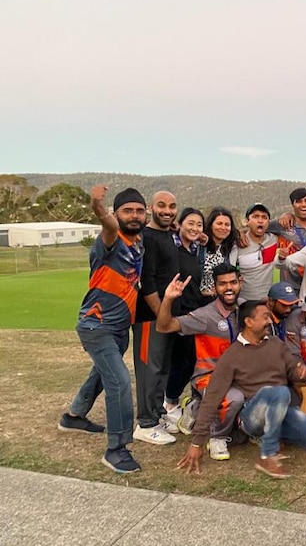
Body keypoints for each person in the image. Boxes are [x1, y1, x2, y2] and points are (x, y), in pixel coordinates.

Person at [176, 300, 306, 479]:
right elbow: (212, 398)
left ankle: (272, 433)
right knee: (278, 392)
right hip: (250, 417)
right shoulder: (232, 356)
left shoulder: (276, 344)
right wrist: (196, 443)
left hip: (279, 409)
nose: (270, 322)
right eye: (265, 317)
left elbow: (292, 372)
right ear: (248, 322)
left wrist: (301, 373)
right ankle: (268, 455)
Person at [59, 185, 147, 474]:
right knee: (119, 381)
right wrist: (98, 206)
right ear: (116, 214)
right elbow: (108, 225)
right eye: (127, 211)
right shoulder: (110, 239)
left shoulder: (139, 242)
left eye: (139, 210)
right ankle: (116, 449)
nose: (134, 216)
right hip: (97, 326)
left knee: (102, 372)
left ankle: (74, 416)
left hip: (120, 327)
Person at [156, 264, 243, 460]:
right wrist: (168, 299)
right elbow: (164, 326)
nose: (228, 288)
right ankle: (217, 437)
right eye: (222, 284)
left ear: (240, 283)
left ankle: (194, 409)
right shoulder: (204, 315)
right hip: (208, 376)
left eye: (233, 282)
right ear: (214, 287)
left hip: (236, 376)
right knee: (235, 398)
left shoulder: (244, 312)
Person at [131, 190, 180, 446]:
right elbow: (146, 281)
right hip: (150, 316)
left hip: (165, 316)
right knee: (149, 369)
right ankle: (146, 424)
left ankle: (156, 415)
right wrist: (162, 313)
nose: (167, 210)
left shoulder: (168, 234)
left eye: (172, 206)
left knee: (161, 368)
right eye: (161, 206)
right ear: (151, 208)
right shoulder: (147, 237)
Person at [163, 208, 208, 430]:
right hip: (178, 313)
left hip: (195, 312)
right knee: (179, 362)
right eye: (190, 223)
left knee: (190, 362)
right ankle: (169, 405)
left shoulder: (194, 249)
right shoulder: (173, 246)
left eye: (199, 225)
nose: (195, 228)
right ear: (178, 224)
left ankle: (171, 402)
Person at [270, 187, 306, 288]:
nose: (304, 205)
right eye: (299, 201)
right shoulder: (283, 224)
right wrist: (241, 234)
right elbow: (257, 228)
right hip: (290, 289)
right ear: (293, 205)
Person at [232, 203, 279, 301]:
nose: (260, 220)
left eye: (264, 217)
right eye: (255, 217)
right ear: (247, 221)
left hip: (268, 301)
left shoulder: (273, 239)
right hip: (245, 302)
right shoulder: (238, 244)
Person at [200, 207, 239, 301]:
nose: (223, 228)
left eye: (227, 225)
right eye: (219, 224)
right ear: (210, 225)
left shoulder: (232, 249)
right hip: (199, 301)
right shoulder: (199, 247)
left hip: (223, 301)